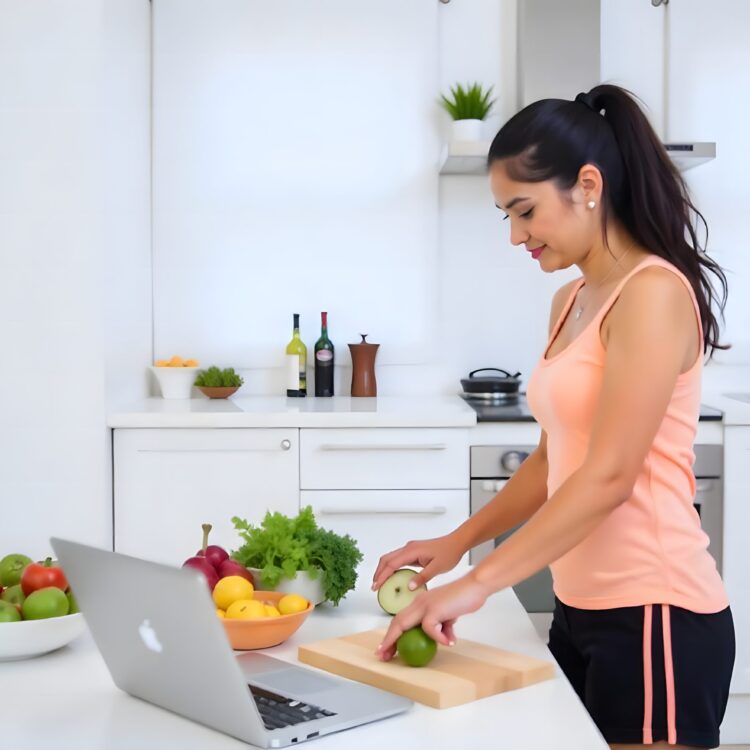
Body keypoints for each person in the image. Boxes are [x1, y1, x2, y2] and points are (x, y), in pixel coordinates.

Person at [371, 85, 734, 750]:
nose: (515, 235)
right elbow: (552, 461)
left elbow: (609, 477)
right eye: (505, 216)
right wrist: (458, 543)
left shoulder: (651, 294)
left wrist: (477, 586)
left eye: (524, 210)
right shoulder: (571, 300)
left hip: (655, 615)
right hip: (581, 611)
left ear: (587, 185)